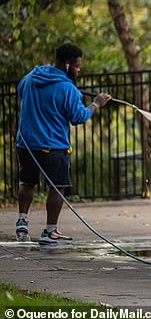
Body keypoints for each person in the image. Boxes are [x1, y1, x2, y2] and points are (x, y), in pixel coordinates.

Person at [15, 43, 111, 245]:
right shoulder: (68, 88)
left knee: (27, 182)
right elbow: (78, 117)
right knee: (58, 187)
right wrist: (96, 103)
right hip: (54, 147)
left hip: (26, 144)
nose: (78, 70)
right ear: (67, 65)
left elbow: (20, 92)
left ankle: (22, 222)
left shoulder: (30, 78)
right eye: (77, 66)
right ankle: (50, 231)